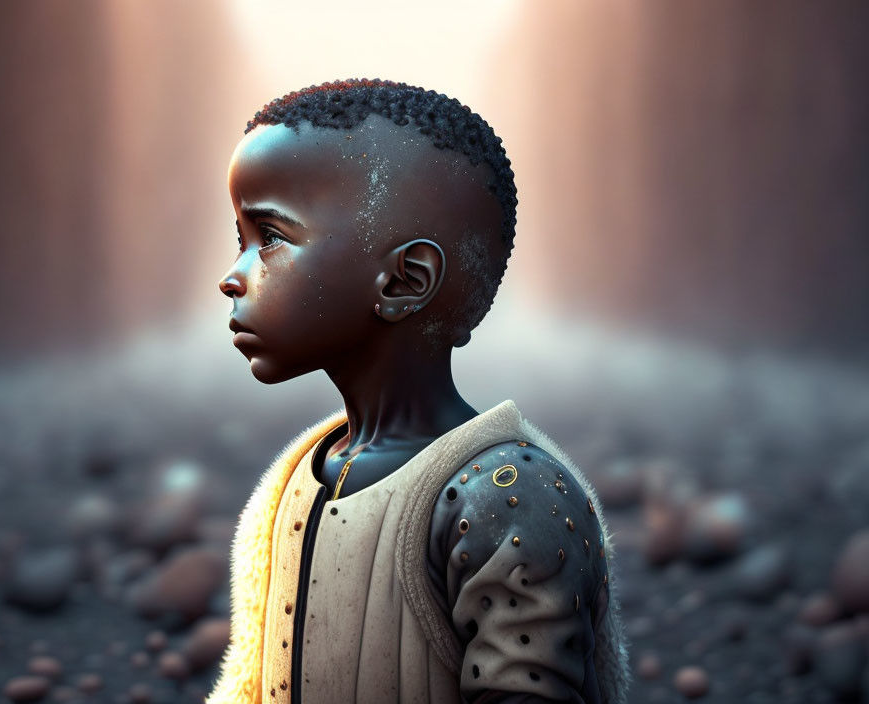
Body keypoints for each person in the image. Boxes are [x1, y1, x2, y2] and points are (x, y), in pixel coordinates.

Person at [207, 78, 630, 704]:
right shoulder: (300, 474)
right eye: (238, 239)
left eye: (269, 238)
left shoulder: (507, 497)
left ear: (405, 280)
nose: (231, 278)